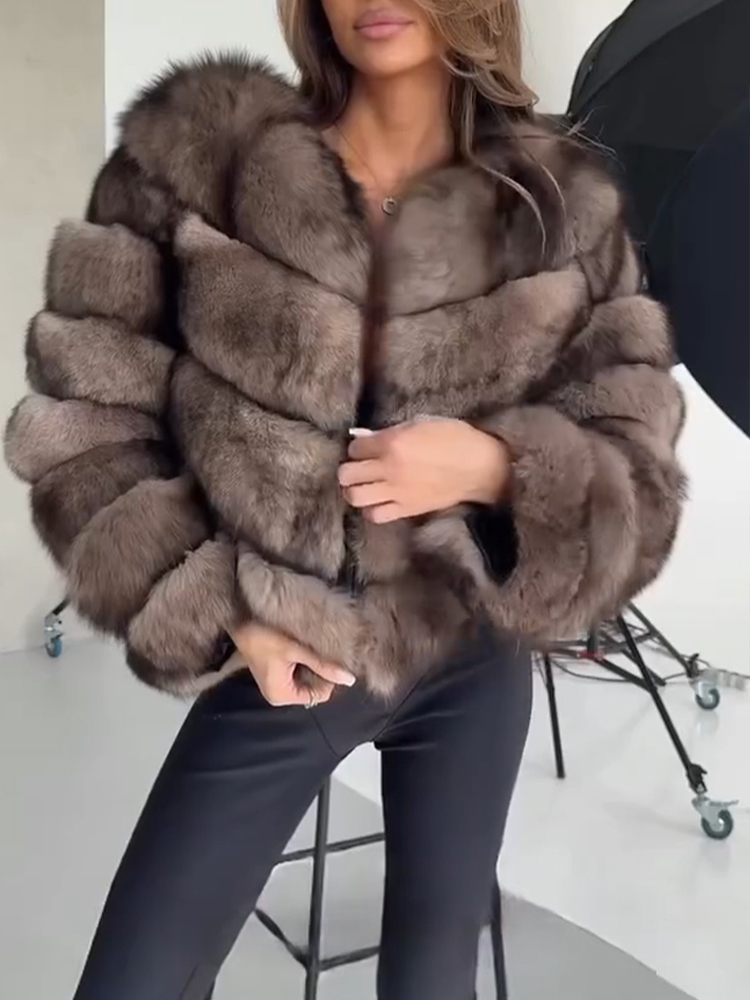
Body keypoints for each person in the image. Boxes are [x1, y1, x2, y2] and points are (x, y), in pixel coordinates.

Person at [4, 1, 686, 997]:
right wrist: (229, 612)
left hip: (474, 657)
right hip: (294, 652)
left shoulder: (559, 205)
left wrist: (495, 466)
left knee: (433, 981)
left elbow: (638, 463)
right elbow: (84, 426)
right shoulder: (196, 160)